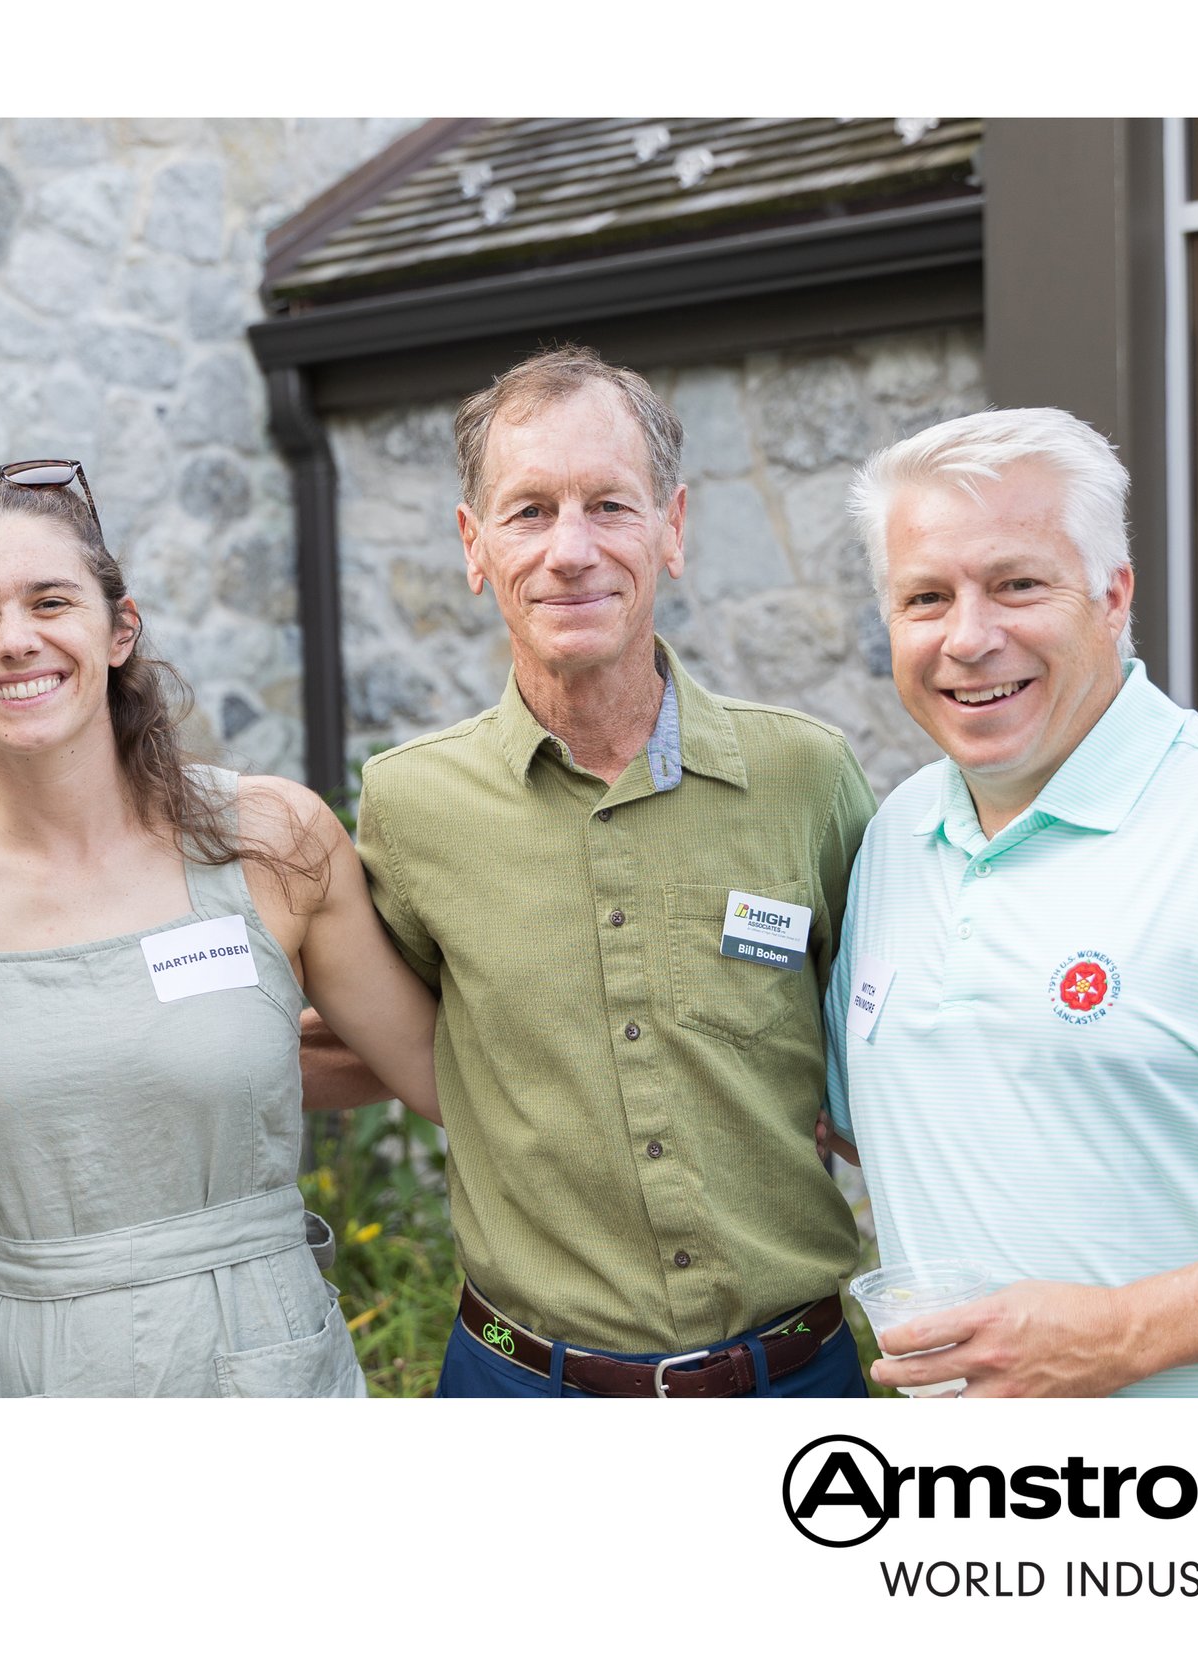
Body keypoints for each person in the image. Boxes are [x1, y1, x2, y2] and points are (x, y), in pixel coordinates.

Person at [0, 460, 439, 1397]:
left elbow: (435, 1066)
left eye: (51, 601)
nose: (16, 640)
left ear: (118, 629)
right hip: (27, 1367)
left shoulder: (271, 839)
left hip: (261, 1358)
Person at [307, 346, 877, 1398]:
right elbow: (352, 1039)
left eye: (608, 505)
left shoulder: (806, 776)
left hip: (795, 1384)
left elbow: (889, 1034)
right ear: (474, 546)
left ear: (672, 528)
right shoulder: (409, 805)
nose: (570, 550)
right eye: (529, 511)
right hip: (522, 1389)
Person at [826, 406, 1198, 1396]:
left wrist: (1124, 1331)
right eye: (925, 597)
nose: (969, 638)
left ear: (1113, 595)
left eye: (1018, 584)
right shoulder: (894, 840)